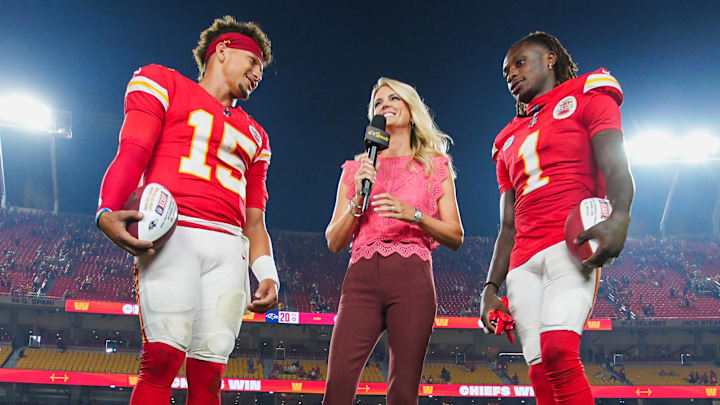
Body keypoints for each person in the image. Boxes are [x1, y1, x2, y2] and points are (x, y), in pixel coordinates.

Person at [95, 16, 279, 405]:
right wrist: (107, 207)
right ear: (222, 51)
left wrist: (267, 273)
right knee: (162, 359)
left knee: (210, 374)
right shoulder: (163, 82)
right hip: (175, 233)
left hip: (230, 247)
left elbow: (255, 217)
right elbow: (134, 149)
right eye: (253, 61)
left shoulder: (258, 135)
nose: (258, 72)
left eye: (262, 68)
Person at [480, 31, 634, 405]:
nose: (512, 75)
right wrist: (490, 289)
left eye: (520, 63)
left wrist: (622, 214)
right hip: (521, 265)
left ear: (550, 58)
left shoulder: (587, 92)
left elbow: (615, 162)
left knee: (559, 351)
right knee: (538, 369)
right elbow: (507, 226)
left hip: (569, 245)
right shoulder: (505, 140)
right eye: (505, 73)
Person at [323, 77, 464, 404]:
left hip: (412, 278)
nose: (383, 105)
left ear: (411, 111)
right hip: (360, 279)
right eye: (377, 103)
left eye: (392, 99)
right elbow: (333, 240)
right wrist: (358, 198)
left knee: (402, 391)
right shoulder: (356, 168)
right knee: (338, 385)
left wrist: (413, 214)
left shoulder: (435, 166)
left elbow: (455, 235)